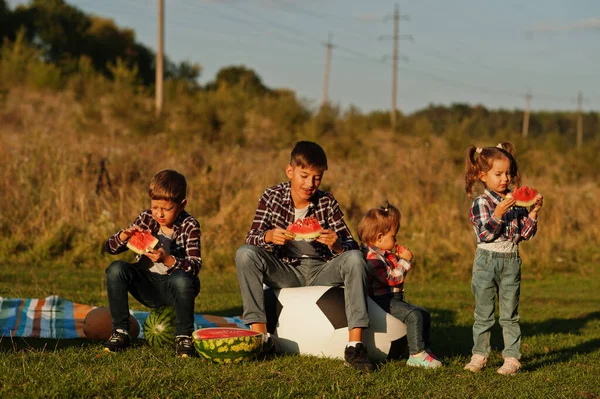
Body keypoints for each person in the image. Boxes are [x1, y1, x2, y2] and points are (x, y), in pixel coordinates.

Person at [235, 141, 374, 372]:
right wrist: (269, 236)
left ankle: (355, 345)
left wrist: (338, 245)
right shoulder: (271, 197)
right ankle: (261, 339)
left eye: (317, 178)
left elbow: (352, 247)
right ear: (290, 171)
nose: (310, 184)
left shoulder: (327, 203)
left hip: (322, 269)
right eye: (304, 175)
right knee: (245, 255)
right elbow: (251, 237)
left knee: (354, 258)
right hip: (286, 270)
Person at [463, 142, 543, 375]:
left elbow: (525, 234)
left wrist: (533, 213)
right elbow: (484, 233)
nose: (505, 179)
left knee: (510, 315)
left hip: (511, 261)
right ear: (482, 176)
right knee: (483, 314)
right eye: (498, 174)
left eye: (508, 173)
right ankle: (479, 355)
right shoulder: (481, 203)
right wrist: (498, 214)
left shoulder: (516, 201)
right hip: (486, 261)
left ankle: (512, 358)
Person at [104, 169, 201, 358]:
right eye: (155, 207)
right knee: (116, 269)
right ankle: (121, 332)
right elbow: (110, 248)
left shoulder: (190, 225)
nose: (159, 214)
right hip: (147, 286)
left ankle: (183, 336)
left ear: (182, 205)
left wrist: (167, 260)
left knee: (181, 280)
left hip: (175, 290)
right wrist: (124, 235)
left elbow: (195, 265)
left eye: (167, 209)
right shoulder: (146, 218)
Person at [358, 201, 442, 369]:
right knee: (414, 315)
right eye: (393, 236)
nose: (396, 240)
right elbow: (392, 279)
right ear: (380, 237)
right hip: (382, 301)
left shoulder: (384, 254)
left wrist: (397, 259)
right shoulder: (372, 259)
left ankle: (424, 349)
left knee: (424, 314)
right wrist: (405, 261)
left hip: (393, 298)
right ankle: (416, 355)